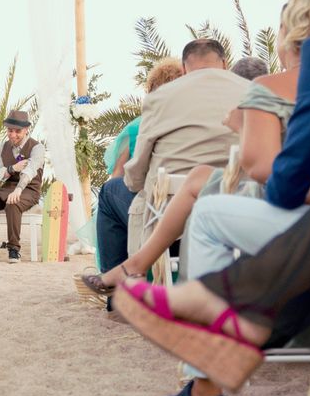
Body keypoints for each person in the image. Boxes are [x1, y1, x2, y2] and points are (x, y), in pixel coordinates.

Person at [115, 30, 310, 396]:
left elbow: (280, 180)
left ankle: (210, 343)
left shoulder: (277, 90)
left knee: (205, 212)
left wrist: (248, 129)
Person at [85, 0, 310, 293]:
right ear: (224, 63)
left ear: (285, 32)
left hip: (274, 200)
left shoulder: (269, 88)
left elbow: (264, 168)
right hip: (267, 191)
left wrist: (242, 126)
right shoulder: (255, 86)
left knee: (123, 193)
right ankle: (142, 273)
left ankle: (156, 296)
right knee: (199, 180)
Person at [94, 39, 248, 277]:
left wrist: (137, 183)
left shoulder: (161, 97)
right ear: (225, 63)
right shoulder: (252, 91)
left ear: (184, 69)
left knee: (110, 191)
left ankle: (118, 296)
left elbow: (135, 176)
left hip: (170, 214)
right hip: (240, 207)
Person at [95, 59, 183, 272]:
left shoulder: (139, 126)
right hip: (194, 215)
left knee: (110, 193)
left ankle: (117, 291)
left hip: (157, 213)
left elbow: (121, 176)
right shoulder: (199, 121)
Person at [0, 110, 44, 264]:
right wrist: (12, 169)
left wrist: (18, 190)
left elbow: (29, 172)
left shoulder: (37, 148)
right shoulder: (3, 147)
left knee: (13, 204)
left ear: (26, 130)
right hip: (7, 187)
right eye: (10, 130)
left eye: (17, 131)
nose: (13, 135)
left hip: (29, 189)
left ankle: (14, 249)